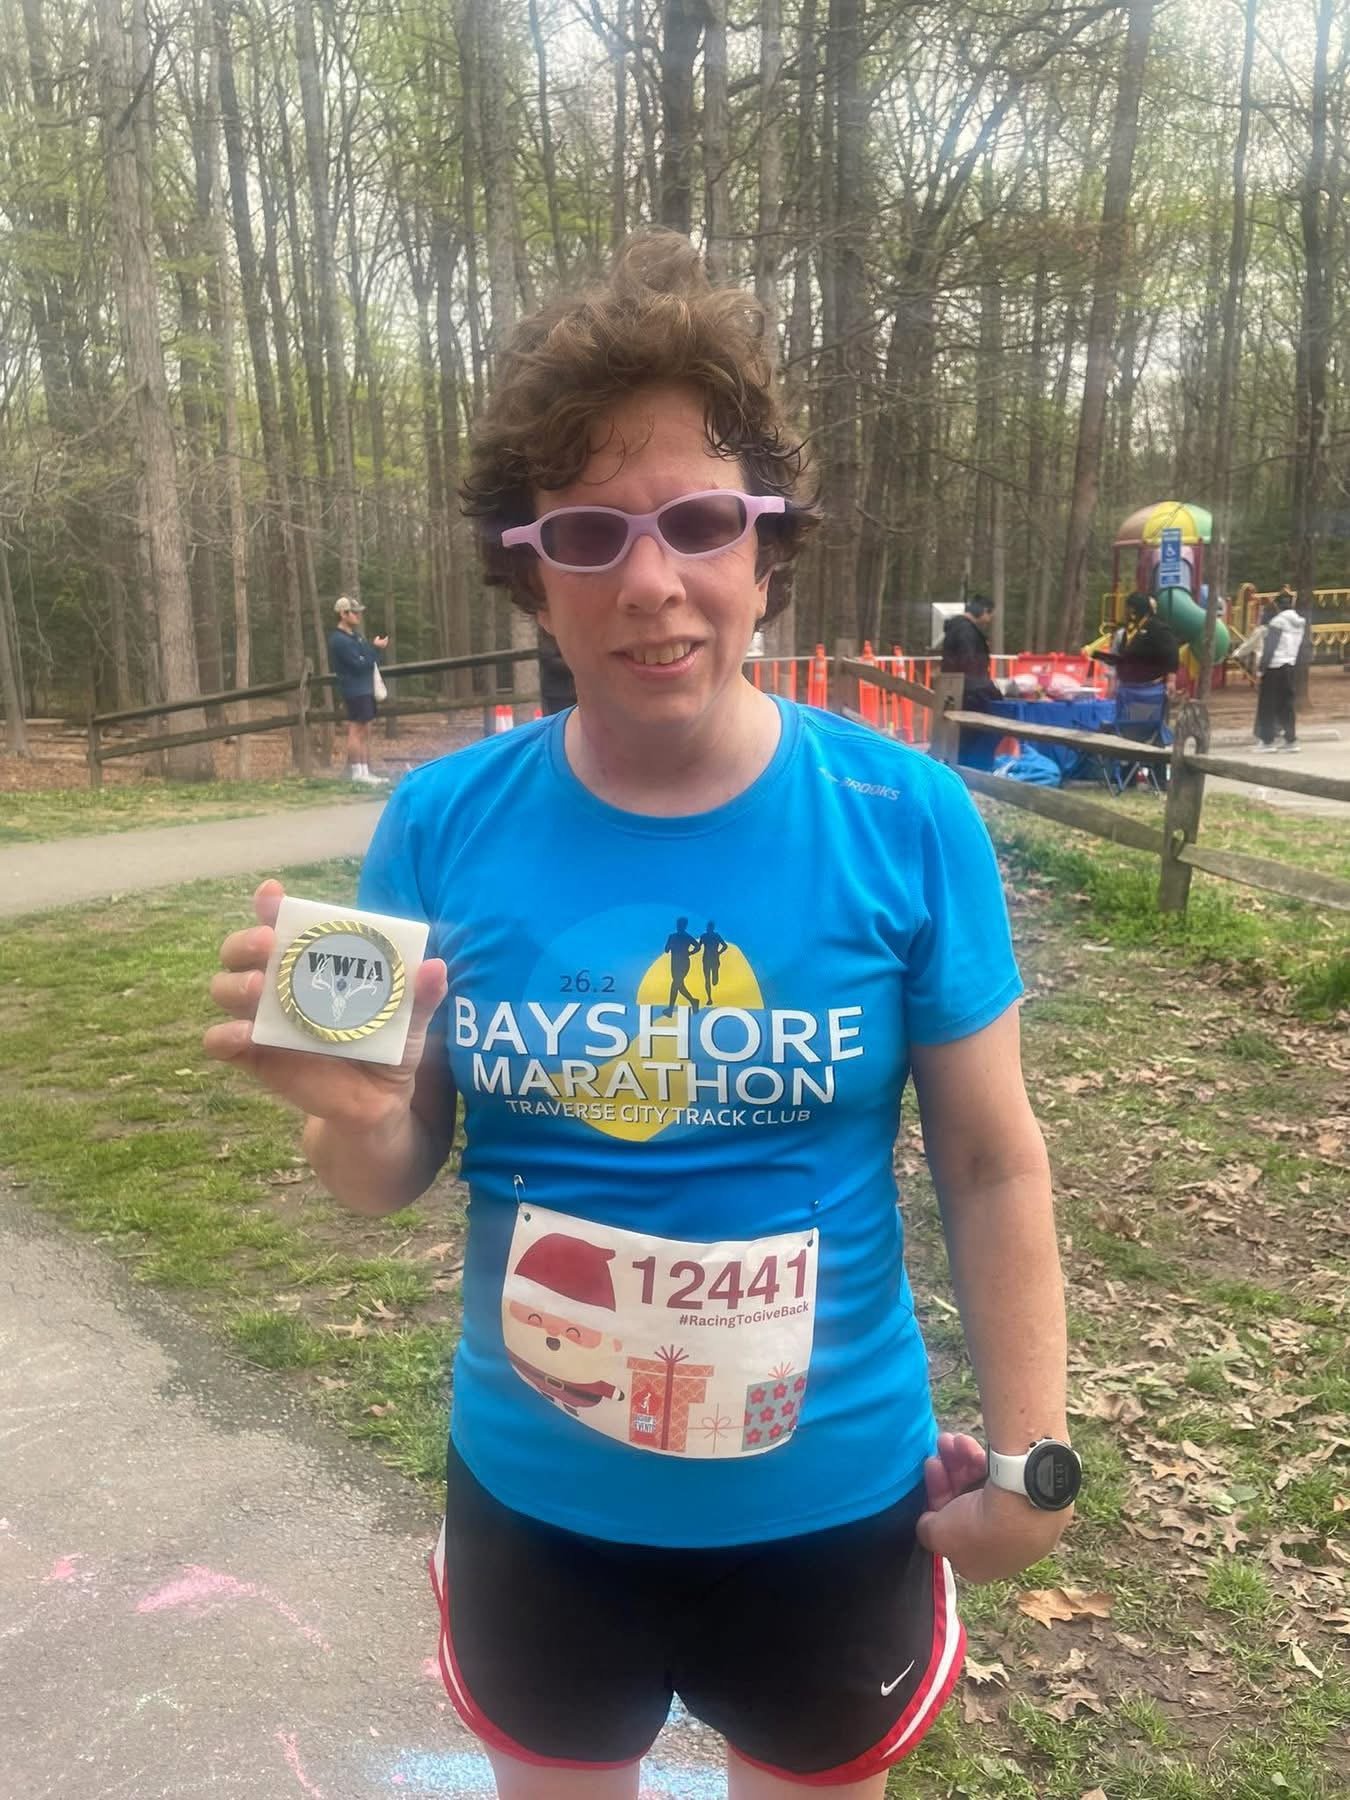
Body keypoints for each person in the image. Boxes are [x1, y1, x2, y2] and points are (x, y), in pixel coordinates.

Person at [205, 231, 1076, 1800]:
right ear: (526, 565)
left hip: (827, 1502)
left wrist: (1030, 1458)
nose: (651, 581)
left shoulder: (906, 815)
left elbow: (995, 1165)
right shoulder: (437, 822)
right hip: (540, 1509)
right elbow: (388, 1174)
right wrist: (347, 1116)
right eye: (591, 533)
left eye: (696, 521)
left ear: (765, 547)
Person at [328, 596, 388, 783]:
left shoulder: (356, 637)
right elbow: (359, 664)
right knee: (356, 730)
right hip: (354, 689)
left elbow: (366, 658)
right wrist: (375, 651)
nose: (358, 616)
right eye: (354, 612)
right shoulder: (339, 640)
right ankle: (357, 773)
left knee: (364, 730)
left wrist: (372, 651)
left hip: (364, 688)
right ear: (343, 614)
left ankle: (364, 771)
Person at [939, 594, 999, 768]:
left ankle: (961, 767)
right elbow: (970, 664)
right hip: (970, 692)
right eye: (989, 615)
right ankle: (972, 770)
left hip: (957, 689)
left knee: (959, 736)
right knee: (972, 735)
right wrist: (989, 688)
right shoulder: (967, 632)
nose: (989, 620)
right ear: (983, 611)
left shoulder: (956, 628)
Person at [1255, 590, 1307, 752]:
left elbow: (1270, 648)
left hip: (1274, 667)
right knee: (1287, 704)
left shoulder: (1277, 622)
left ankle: (1267, 741)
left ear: (1277, 606)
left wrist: (1261, 669)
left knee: (1268, 704)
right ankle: (1290, 739)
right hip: (1289, 665)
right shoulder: (1299, 623)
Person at [1104, 592, 1179, 691]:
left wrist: (1171, 681)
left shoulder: (1158, 629)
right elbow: (1117, 657)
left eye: (1129, 608)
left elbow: (1172, 654)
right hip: (1126, 687)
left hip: (1151, 688)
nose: (1126, 611)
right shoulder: (1124, 631)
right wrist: (1112, 683)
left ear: (1135, 609)